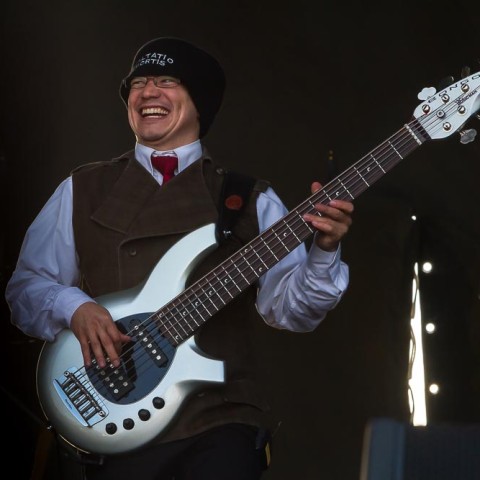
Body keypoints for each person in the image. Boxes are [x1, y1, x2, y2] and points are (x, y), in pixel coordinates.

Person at [5, 36, 354, 480]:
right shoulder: (81, 188)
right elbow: (24, 289)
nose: (148, 92)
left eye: (167, 80)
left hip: (219, 421)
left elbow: (288, 313)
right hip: (119, 412)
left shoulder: (248, 198)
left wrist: (323, 252)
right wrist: (75, 308)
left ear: (200, 102)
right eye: (138, 83)